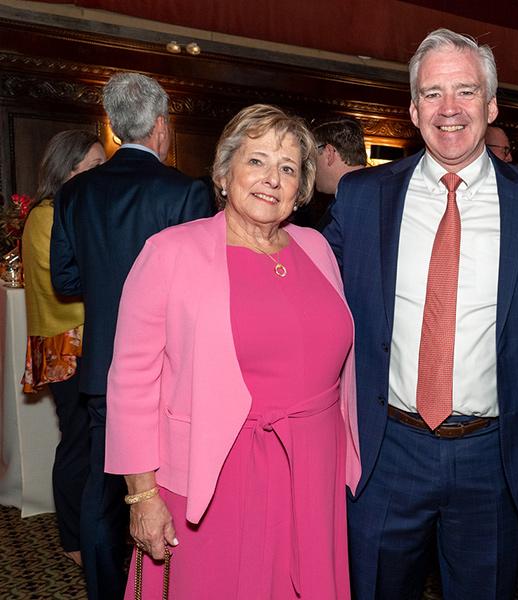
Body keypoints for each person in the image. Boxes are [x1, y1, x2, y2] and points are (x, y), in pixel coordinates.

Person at [323, 28, 518, 600]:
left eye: (465, 90)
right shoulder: (363, 196)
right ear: (413, 110)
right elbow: (306, 282)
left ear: (491, 105)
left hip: (494, 458)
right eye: (432, 93)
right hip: (387, 449)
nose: (449, 108)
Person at [104, 104, 361, 599]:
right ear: (223, 174)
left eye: (288, 168)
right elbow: (132, 381)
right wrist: (141, 494)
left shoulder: (316, 248)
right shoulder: (170, 252)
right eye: (256, 161)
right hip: (218, 473)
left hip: (314, 470)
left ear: (301, 189)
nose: (272, 179)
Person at [49, 72, 212, 600]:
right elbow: (204, 291)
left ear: (116, 129)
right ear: (162, 126)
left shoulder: (75, 192)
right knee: (179, 487)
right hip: (171, 367)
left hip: (104, 369)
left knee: (102, 498)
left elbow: (64, 280)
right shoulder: (185, 191)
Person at [21, 130, 105, 567]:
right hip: (66, 343)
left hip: (86, 339)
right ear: (67, 169)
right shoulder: (46, 216)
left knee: (92, 440)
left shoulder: (74, 210)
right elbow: (67, 282)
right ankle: (72, 536)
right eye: (94, 166)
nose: (102, 174)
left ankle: (89, 529)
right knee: (78, 441)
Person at [312, 116, 367, 196]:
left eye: (312, 156)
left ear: (329, 154)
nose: (310, 167)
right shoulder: (379, 191)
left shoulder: (349, 200)